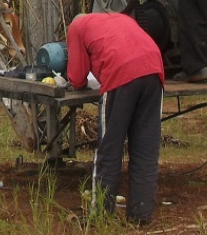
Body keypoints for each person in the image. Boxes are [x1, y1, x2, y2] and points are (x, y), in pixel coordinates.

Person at [66, 12, 164, 226]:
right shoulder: (120, 18)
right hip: (154, 68)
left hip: (121, 73)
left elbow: (76, 77)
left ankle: (99, 215)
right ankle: (141, 215)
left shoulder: (76, 27)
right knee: (146, 149)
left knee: (110, 147)